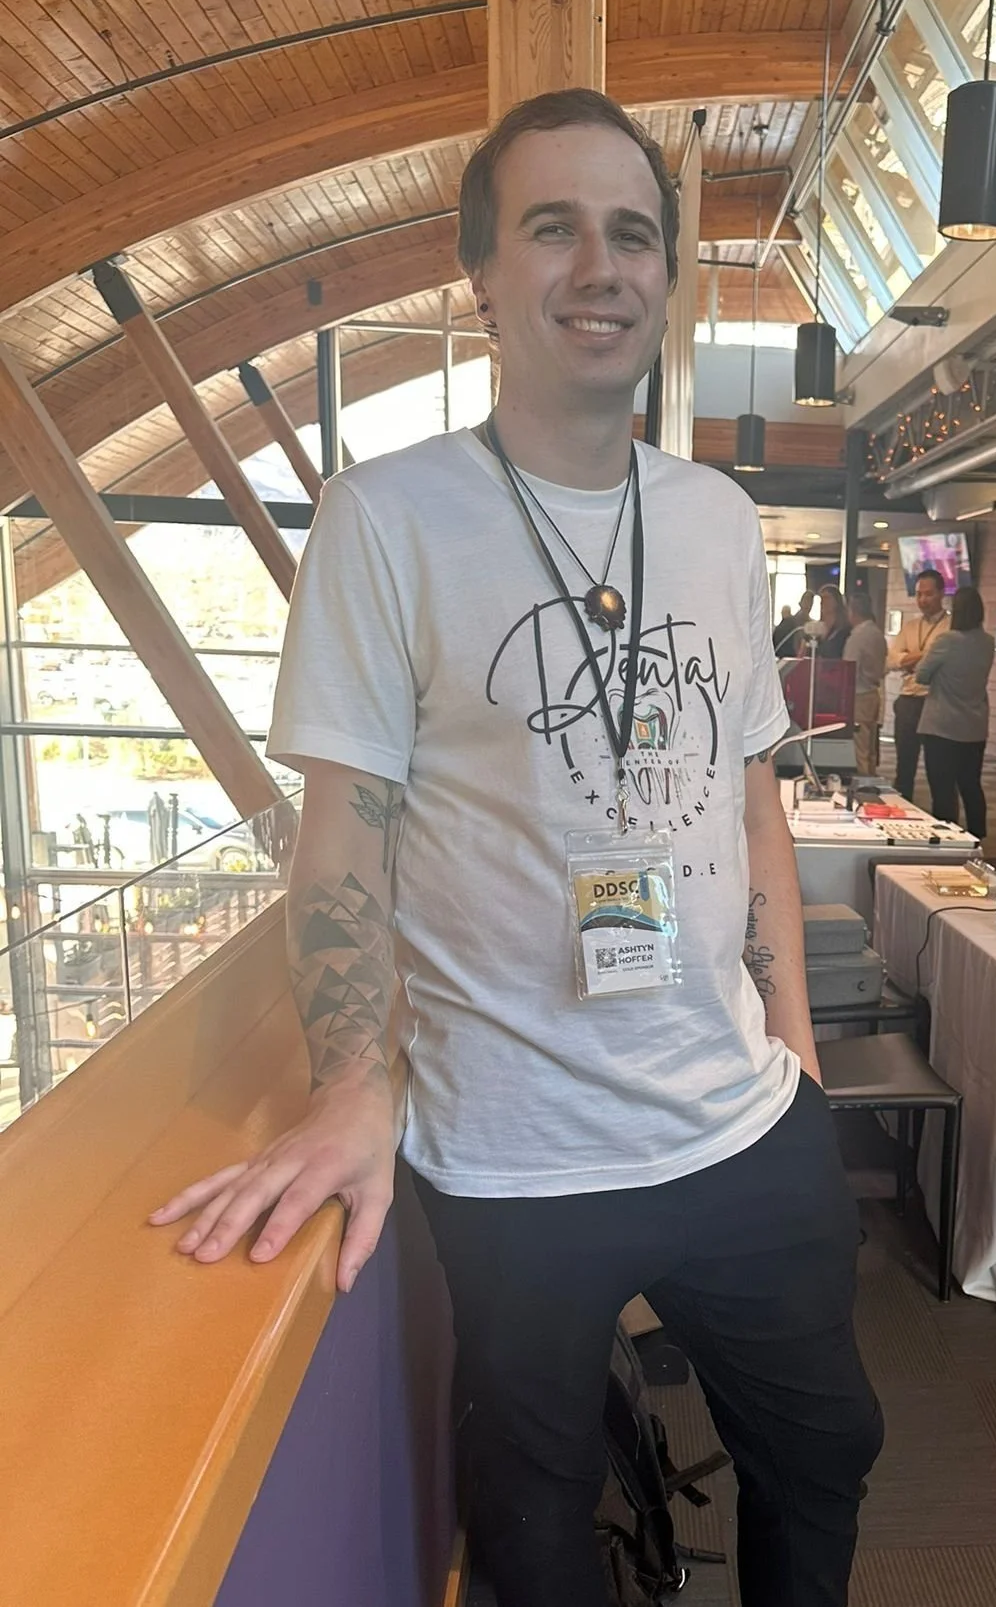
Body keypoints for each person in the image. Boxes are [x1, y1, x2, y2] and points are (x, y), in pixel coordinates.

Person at [149, 88, 881, 1607]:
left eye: (632, 234)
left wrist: (797, 1050)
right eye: (554, 228)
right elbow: (343, 832)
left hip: (741, 1123)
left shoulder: (719, 520)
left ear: (668, 281)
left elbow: (752, 798)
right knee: (536, 1529)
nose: (599, 267)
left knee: (826, 1455)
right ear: (483, 275)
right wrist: (355, 1086)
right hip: (513, 1158)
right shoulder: (387, 519)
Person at [916, 586, 995, 842]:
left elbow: (921, 674)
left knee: (943, 788)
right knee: (971, 784)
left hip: (943, 725)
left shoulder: (947, 641)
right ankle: (976, 836)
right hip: (974, 725)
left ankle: (948, 836)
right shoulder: (988, 642)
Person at [887, 567, 949, 801]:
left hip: (935, 701)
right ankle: (901, 814)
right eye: (918, 594)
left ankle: (945, 820)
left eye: (928, 594)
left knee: (939, 768)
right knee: (904, 766)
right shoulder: (911, 626)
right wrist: (924, 657)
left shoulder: (949, 627)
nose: (922, 600)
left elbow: (943, 664)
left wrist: (910, 660)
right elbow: (892, 660)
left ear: (942, 594)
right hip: (908, 701)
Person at [842, 589, 887, 776]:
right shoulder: (877, 634)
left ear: (853, 612)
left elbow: (848, 668)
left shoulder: (857, 637)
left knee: (859, 747)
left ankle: (863, 785)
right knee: (870, 747)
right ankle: (870, 777)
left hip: (858, 695)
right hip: (874, 693)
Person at [814, 582, 852, 659]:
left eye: (827, 598)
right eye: (821, 599)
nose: (823, 602)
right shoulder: (816, 628)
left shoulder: (845, 629)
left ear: (837, 601)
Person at [773, 588, 814, 655]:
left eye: (810, 602)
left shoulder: (813, 627)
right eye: (806, 600)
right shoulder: (788, 623)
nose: (808, 604)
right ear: (800, 603)